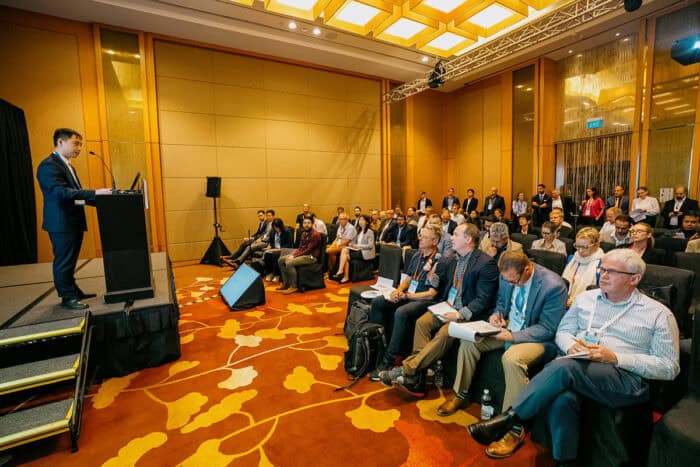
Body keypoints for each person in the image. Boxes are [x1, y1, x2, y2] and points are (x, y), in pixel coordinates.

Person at [467, 249, 680, 463]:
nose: (603, 275)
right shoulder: (586, 299)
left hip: (624, 378)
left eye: (612, 272)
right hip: (579, 366)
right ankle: (564, 461)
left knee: (565, 367)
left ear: (634, 279)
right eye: (602, 269)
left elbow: (669, 367)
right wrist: (571, 348)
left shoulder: (658, 314)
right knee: (563, 400)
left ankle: (508, 420)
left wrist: (614, 357)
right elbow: (563, 331)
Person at [438, 250, 567, 453]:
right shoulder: (506, 274)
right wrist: (496, 316)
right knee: (470, 341)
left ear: (527, 269)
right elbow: (500, 303)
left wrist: (512, 337)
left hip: (538, 338)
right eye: (508, 281)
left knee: (512, 358)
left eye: (515, 282)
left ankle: (513, 426)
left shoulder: (553, 286)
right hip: (507, 328)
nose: (511, 284)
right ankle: (460, 393)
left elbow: (548, 328)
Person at [377, 223, 500, 397]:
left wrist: (458, 314)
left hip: (468, 313)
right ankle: (416, 379)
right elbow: (439, 284)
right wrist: (431, 276)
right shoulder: (452, 259)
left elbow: (483, 300)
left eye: (456, 234)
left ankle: (407, 370)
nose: (450, 238)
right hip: (447, 305)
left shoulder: (485, 263)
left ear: (468, 239)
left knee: (445, 332)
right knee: (422, 322)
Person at [36, 128, 113, 310]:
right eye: (75, 143)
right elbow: (60, 193)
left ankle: (73, 290)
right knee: (64, 260)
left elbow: (76, 197)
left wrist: (102, 200)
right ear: (61, 142)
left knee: (70, 260)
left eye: (81, 144)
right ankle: (67, 297)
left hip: (72, 220)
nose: (79, 148)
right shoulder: (49, 165)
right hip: (61, 223)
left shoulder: (68, 165)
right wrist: (95, 193)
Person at [368, 224, 443, 380]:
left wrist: (407, 296)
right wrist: (398, 291)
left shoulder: (439, 261)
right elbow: (408, 279)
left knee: (401, 312)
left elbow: (431, 294)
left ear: (435, 241)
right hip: (409, 295)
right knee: (377, 302)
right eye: (420, 235)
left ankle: (390, 359)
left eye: (424, 237)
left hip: (425, 300)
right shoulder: (416, 255)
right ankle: (376, 347)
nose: (419, 238)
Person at [277, 216, 321, 295]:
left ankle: (293, 286)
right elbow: (300, 248)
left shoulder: (315, 235)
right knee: (281, 260)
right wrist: (293, 254)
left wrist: (294, 256)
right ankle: (286, 283)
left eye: (308, 223)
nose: (306, 225)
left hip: (311, 257)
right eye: (304, 223)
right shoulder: (303, 233)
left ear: (312, 224)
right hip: (303, 254)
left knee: (289, 262)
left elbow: (308, 250)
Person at [562, 227, 604, 308]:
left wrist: (578, 301)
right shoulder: (572, 259)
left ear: (597, 245)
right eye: (577, 246)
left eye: (585, 247)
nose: (580, 250)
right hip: (565, 302)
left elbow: (602, 294)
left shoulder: (603, 264)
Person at [334, 214, 375, 284]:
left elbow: (370, 245)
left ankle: (342, 272)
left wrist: (359, 246)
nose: (360, 221)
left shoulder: (369, 231)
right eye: (360, 220)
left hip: (366, 252)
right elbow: (355, 243)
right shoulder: (359, 231)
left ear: (367, 222)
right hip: (358, 250)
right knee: (345, 251)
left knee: (345, 253)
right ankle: (344, 275)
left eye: (363, 220)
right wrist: (352, 246)